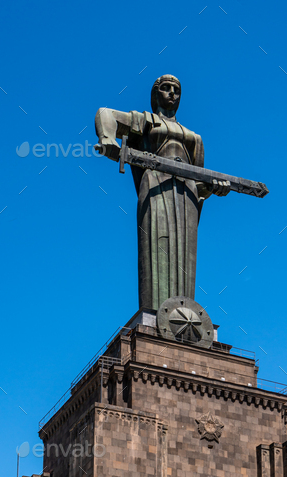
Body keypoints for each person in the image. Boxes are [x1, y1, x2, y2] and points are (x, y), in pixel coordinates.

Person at [95, 75, 229, 310]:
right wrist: (108, 140)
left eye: (176, 90)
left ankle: (184, 312)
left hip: (186, 194)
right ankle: (155, 311)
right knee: (156, 244)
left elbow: (199, 184)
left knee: (185, 251)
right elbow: (106, 114)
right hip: (156, 185)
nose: (172, 93)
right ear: (155, 94)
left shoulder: (195, 138)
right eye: (165, 88)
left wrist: (213, 188)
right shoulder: (146, 121)